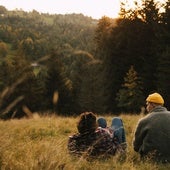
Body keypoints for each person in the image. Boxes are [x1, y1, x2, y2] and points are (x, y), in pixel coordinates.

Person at [133, 92, 170, 162]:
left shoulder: (144, 121)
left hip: (151, 160)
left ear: (152, 105)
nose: (146, 107)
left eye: (147, 104)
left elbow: (136, 147)